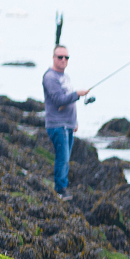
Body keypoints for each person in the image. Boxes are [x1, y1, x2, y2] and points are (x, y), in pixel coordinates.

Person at [40, 44, 90, 197]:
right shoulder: (50, 77)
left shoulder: (65, 77)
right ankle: (60, 190)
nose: (63, 60)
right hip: (57, 125)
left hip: (68, 124)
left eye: (66, 57)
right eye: (60, 57)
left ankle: (62, 187)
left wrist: (74, 122)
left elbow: (68, 101)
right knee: (62, 158)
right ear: (53, 58)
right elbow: (59, 100)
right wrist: (77, 93)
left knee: (66, 158)